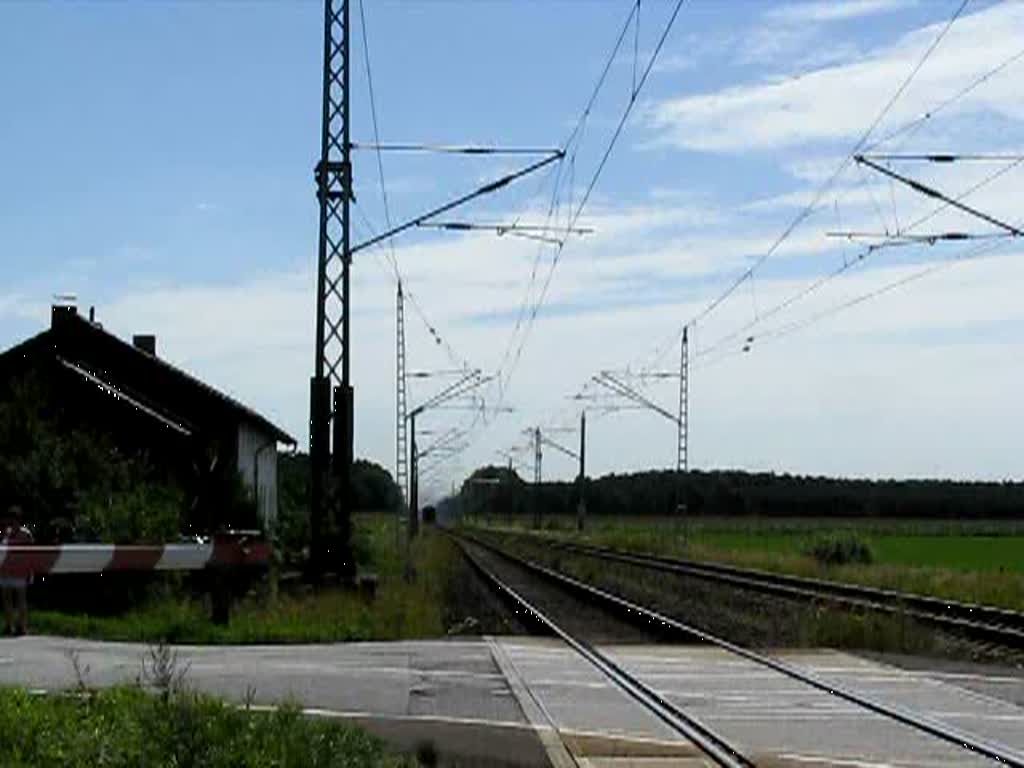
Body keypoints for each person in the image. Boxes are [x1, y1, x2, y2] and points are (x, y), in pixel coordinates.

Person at [1, 505, 33, 636]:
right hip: (5, 571)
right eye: (10, 519)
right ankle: (9, 625)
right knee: (6, 599)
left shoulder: (26, 534)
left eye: (15, 519)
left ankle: (22, 626)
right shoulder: (6, 533)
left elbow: (32, 554)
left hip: (20, 572)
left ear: (19, 520)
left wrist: (30, 571)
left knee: (21, 600)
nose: (12, 522)